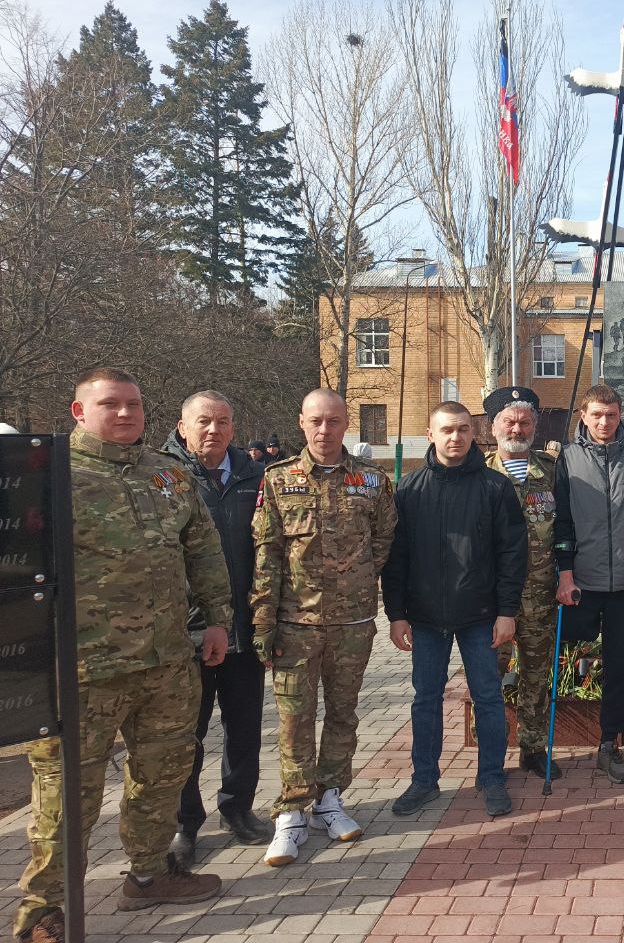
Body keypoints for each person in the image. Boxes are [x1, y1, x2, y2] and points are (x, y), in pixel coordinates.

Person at [15, 368, 231, 943]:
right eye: (110, 404)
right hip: (81, 669)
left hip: (165, 662)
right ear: (78, 411)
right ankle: (45, 909)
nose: (126, 414)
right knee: (66, 795)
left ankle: (148, 872)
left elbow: (203, 550)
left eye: (134, 404)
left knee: (161, 777)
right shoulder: (49, 475)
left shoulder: (168, 475)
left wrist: (216, 620)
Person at [250, 389, 397, 866]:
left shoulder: (372, 481)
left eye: (333, 421)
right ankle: (292, 810)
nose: (324, 430)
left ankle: (330, 797)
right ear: (301, 422)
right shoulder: (278, 480)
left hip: (352, 624)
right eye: (316, 421)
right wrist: (263, 622)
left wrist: (358, 586)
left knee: (342, 714)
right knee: (294, 720)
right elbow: (267, 555)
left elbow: (383, 541)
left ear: (346, 422)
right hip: (295, 624)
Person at [382, 401, 527, 817]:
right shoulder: (408, 491)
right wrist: (396, 614)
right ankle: (424, 780)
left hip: (480, 615)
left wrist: (506, 611)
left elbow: (511, 555)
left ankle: (492, 777)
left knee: (488, 697)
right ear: (430, 434)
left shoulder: (495, 488)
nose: (455, 437)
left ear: (473, 434)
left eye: (463, 430)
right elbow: (397, 559)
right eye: (446, 430)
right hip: (425, 617)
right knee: (425, 699)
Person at [162, 391, 271, 867]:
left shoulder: (254, 476)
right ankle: (186, 823)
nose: (213, 430)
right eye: (203, 422)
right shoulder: (162, 478)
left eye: (223, 422)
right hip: (187, 633)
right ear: (182, 427)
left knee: (244, 726)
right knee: (188, 732)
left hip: (244, 628)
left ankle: (238, 808)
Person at [553, 383, 624, 784]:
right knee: (564, 653)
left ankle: (608, 744)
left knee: (620, 666)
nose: (605, 422)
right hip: (582, 582)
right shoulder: (566, 460)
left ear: (621, 416)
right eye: (597, 415)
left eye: (612, 415)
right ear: (583, 417)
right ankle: (542, 739)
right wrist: (564, 572)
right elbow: (561, 522)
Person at [482, 387, 561, 781]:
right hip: (491, 599)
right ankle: (490, 756)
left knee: (536, 675)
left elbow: (566, 528)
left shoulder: (551, 470)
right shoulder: (479, 473)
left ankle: (533, 749)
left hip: (540, 595)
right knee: (488, 678)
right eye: (509, 421)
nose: (518, 428)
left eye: (525, 421)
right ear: (493, 427)